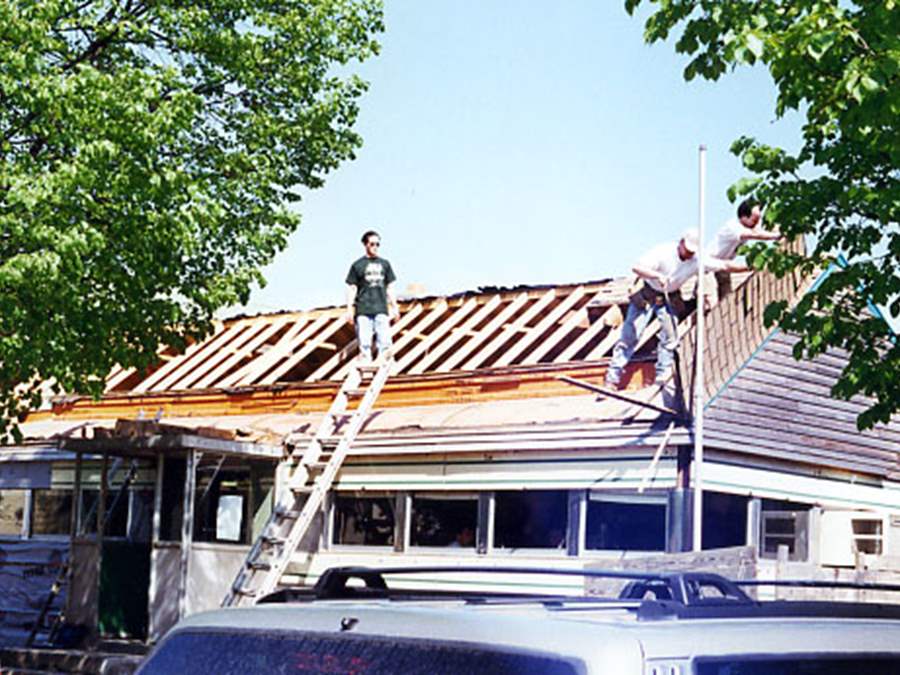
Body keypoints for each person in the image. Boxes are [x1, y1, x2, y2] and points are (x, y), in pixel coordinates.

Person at [605, 229, 724, 389]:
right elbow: (636, 267)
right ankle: (612, 378)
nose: (688, 255)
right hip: (647, 294)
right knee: (630, 335)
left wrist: (747, 266)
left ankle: (662, 379)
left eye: (692, 252)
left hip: (670, 296)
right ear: (681, 243)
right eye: (687, 250)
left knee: (670, 338)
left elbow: (723, 265)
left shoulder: (696, 260)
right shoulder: (663, 252)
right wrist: (657, 276)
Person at [345, 231, 399, 363]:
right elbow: (352, 288)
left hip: (381, 308)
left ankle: (385, 364)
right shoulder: (357, 265)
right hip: (363, 309)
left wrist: (394, 306)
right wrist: (349, 309)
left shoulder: (385, 264)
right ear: (365, 245)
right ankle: (366, 365)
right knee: (364, 342)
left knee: (385, 341)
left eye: (377, 244)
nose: (375, 247)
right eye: (372, 244)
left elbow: (390, 287)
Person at [710, 199, 781, 299]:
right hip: (708, 265)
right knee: (708, 300)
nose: (756, 224)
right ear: (744, 217)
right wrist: (776, 236)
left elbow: (760, 231)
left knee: (726, 297)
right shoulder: (734, 228)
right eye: (754, 220)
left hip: (723, 265)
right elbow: (755, 234)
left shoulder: (746, 226)